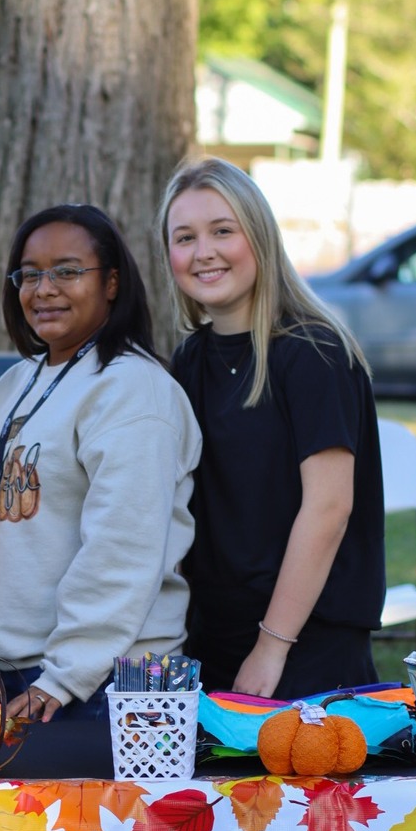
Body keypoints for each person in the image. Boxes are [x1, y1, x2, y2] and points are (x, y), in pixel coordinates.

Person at [0, 203, 202, 734]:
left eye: (68, 271)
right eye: (30, 274)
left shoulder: (131, 390)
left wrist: (63, 677)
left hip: (101, 686)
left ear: (112, 283)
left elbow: (122, 548)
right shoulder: (8, 389)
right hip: (13, 678)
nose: (44, 288)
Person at [157, 155, 385, 700]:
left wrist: (272, 647)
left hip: (303, 646)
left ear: (258, 236)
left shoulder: (312, 352)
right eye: (184, 237)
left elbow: (329, 509)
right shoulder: (189, 361)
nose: (203, 252)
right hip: (214, 639)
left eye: (222, 231)